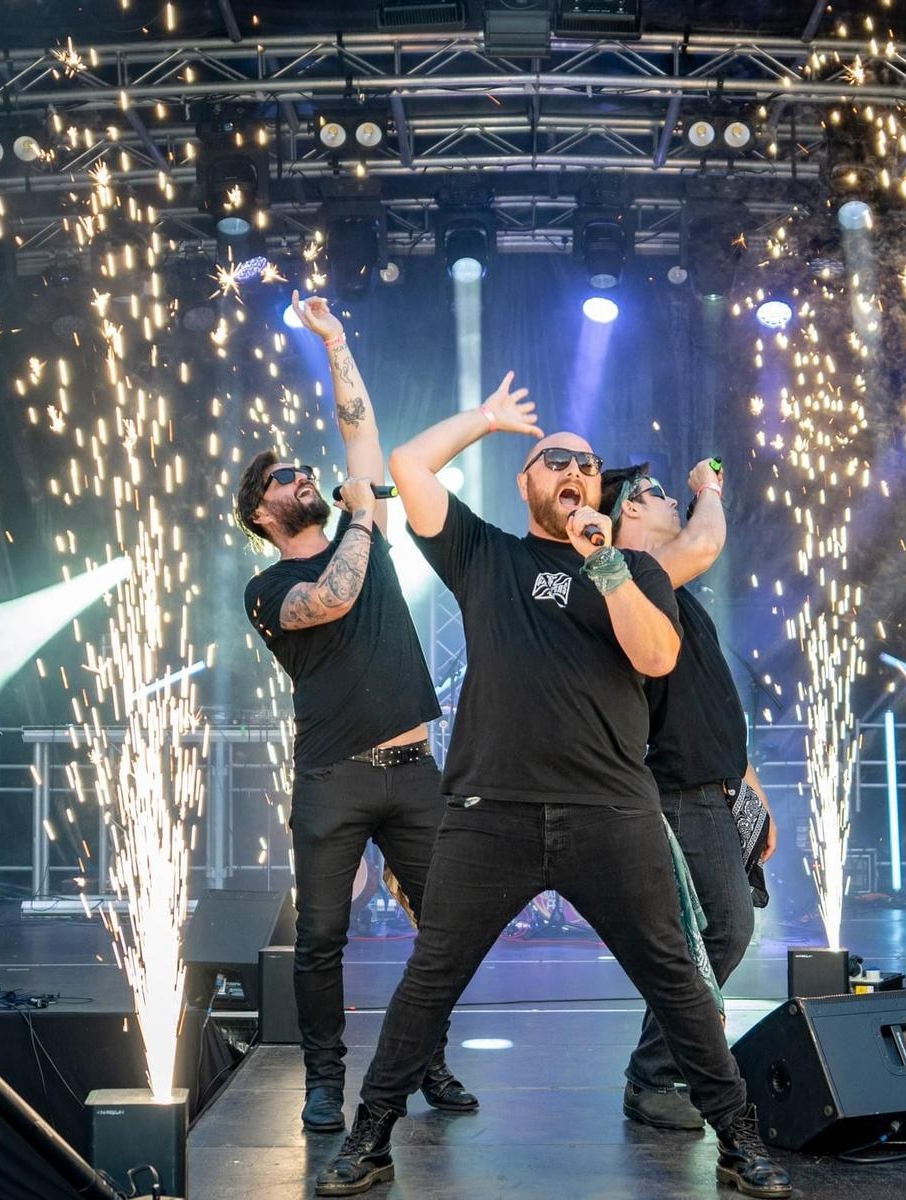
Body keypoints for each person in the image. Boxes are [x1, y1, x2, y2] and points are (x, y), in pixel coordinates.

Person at [315, 373, 792, 1199]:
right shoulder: (485, 555)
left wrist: (602, 559)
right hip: (489, 816)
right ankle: (369, 1138)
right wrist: (487, 418)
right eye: (554, 460)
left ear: (597, 490)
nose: (573, 470)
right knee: (431, 978)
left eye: (586, 464)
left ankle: (738, 1140)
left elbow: (656, 657)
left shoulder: (632, 569)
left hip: (611, 814)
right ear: (525, 482)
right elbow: (409, 465)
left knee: (678, 980)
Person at [236, 293, 476, 1135]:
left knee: (445, 928)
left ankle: (425, 1061)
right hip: (332, 778)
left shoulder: (355, 528)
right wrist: (365, 515)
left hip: (413, 773)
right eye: (284, 479)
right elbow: (332, 600)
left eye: (304, 471)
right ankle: (324, 1080)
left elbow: (359, 430)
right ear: (260, 512)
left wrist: (336, 343)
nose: (303, 476)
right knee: (321, 938)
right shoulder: (269, 587)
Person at [595, 459, 778, 1131]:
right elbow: (705, 541)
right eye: (657, 494)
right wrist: (710, 488)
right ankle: (654, 1074)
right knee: (723, 930)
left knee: (706, 938)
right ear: (629, 511)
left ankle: (663, 1067)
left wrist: (749, 787)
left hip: (716, 786)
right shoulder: (630, 577)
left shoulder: (671, 588)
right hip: (678, 790)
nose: (673, 499)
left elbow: (709, 701)